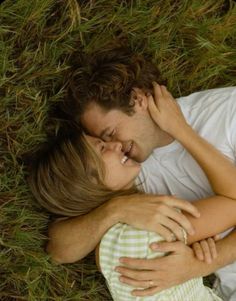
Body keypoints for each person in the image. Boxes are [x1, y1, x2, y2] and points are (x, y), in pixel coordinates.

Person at [46, 47, 236, 300]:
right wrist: (115, 210)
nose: (115, 146)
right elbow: (59, 249)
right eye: (102, 142)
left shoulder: (226, 113)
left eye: (110, 134)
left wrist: (182, 131)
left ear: (138, 99)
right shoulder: (125, 170)